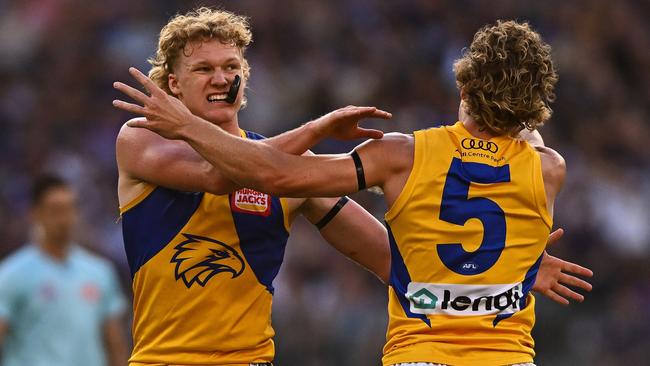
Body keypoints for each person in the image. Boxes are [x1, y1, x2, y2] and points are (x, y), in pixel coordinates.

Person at [113, 10, 591, 365]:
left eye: (231, 65)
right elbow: (221, 174)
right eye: (202, 69)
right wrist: (317, 129)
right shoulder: (141, 139)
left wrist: (508, 266)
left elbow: (392, 260)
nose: (221, 77)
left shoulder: (293, 176)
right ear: (172, 85)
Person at [0, 175, 128, 366]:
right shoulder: (11, 274)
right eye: (56, 210)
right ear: (34, 214)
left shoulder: (100, 272)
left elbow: (114, 343)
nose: (65, 219)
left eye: (70, 208)